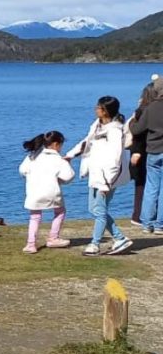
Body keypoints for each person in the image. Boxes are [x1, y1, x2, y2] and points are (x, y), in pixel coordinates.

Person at [66, 96, 133, 256]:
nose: (95, 109)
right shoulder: (97, 125)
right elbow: (86, 142)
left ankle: (95, 244)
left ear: (106, 111)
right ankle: (119, 238)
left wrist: (107, 182)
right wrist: (70, 155)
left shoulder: (115, 130)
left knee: (99, 210)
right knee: (94, 209)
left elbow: (116, 158)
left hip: (107, 177)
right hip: (96, 174)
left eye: (99, 107)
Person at [19, 130, 75, 253]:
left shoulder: (32, 156)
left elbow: (22, 170)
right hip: (52, 192)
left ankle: (31, 244)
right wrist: (62, 175)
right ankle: (53, 238)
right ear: (56, 144)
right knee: (60, 212)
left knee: (35, 217)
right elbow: (69, 176)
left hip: (34, 192)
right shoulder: (58, 159)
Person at [127, 80, 163, 232]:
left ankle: (147, 222)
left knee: (151, 187)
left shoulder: (150, 108)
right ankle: (160, 223)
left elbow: (136, 130)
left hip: (153, 150)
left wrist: (132, 123)